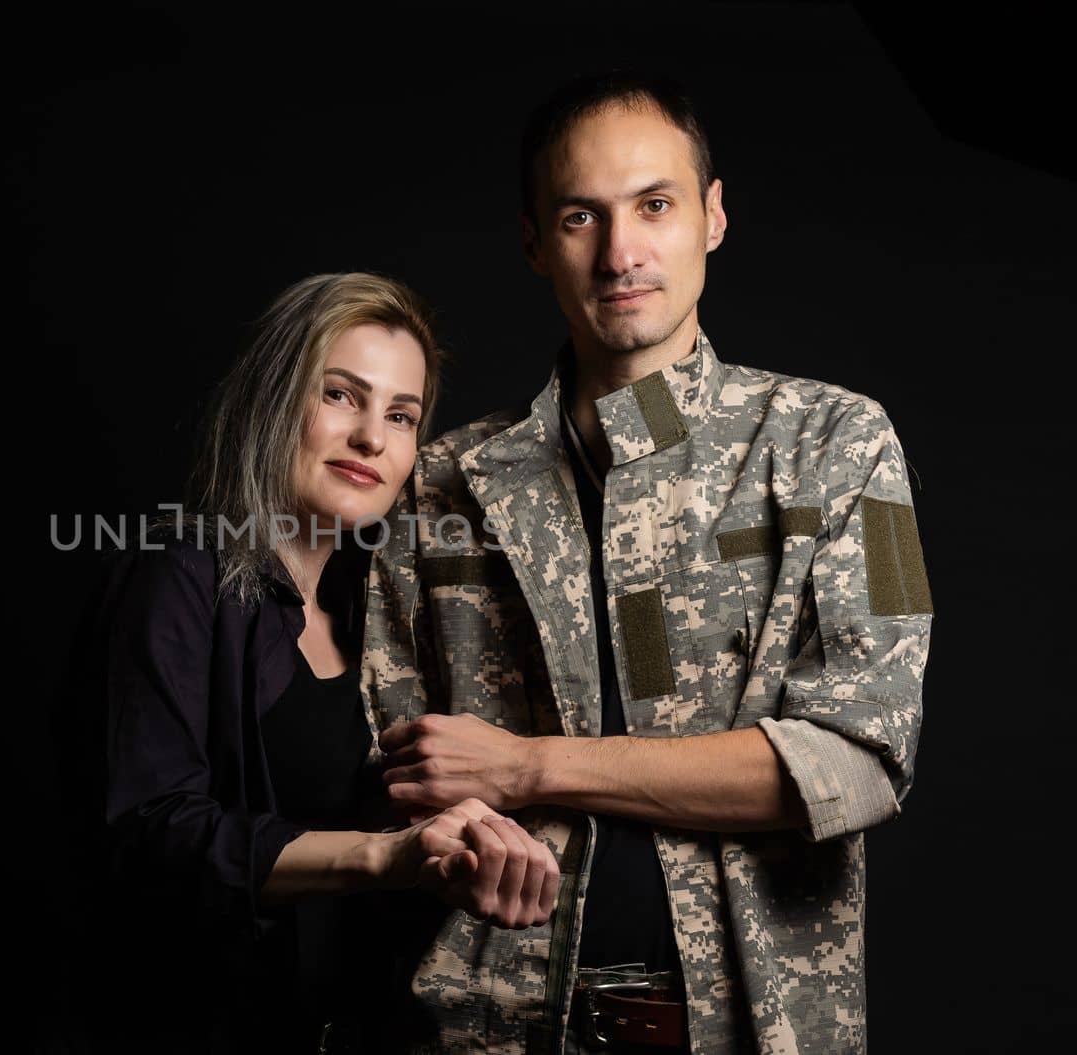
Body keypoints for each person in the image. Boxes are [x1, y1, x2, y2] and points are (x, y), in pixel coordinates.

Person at [361, 72, 934, 1053]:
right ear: (536, 242)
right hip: (481, 1030)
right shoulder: (440, 483)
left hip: (747, 1028)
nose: (620, 252)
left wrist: (529, 764)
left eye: (654, 205)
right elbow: (394, 762)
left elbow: (859, 760)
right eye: (582, 216)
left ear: (711, 217)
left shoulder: (842, 444)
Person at [65, 272, 563, 1054]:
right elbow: (148, 831)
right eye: (341, 395)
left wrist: (458, 843)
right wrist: (382, 857)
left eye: (401, 415)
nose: (373, 437)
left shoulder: (368, 615)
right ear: (275, 400)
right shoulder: (180, 569)